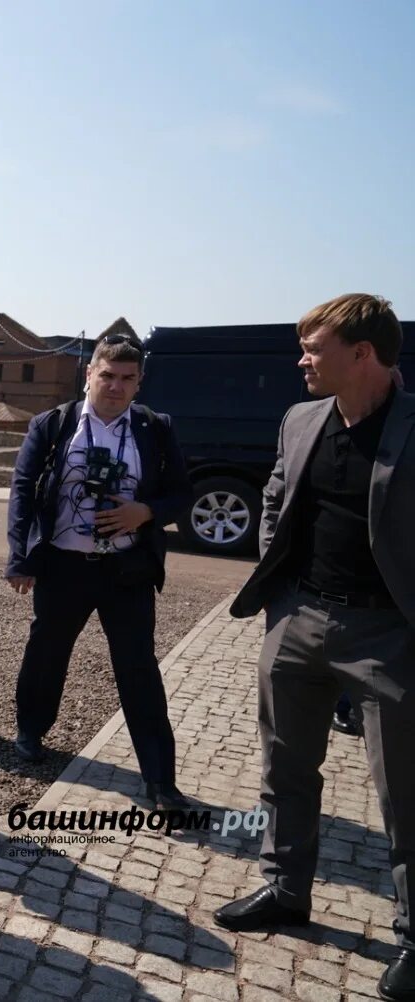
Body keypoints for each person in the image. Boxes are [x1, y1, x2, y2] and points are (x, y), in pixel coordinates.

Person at [214, 294, 415, 1002]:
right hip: (298, 620)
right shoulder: (301, 419)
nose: (301, 359)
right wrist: (280, 596)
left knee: (404, 791)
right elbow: (274, 498)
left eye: (314, 347)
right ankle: (285, 888)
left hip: (392, 633)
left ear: (362, 354)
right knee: (285, 768)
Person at [5, 332, 191, 809]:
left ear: (139, 382)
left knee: (139, 670)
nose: (115, 386)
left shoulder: (155, 427)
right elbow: (24, 490)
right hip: (63, 565)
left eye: (127, 378)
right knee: (47, 652)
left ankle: (159, 779)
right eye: (107, 375)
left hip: (126, 570)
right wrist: (21, 557)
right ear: (89, 374)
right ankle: (30, 730)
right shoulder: (53, 424)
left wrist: (145, 512)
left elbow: (181, 494)